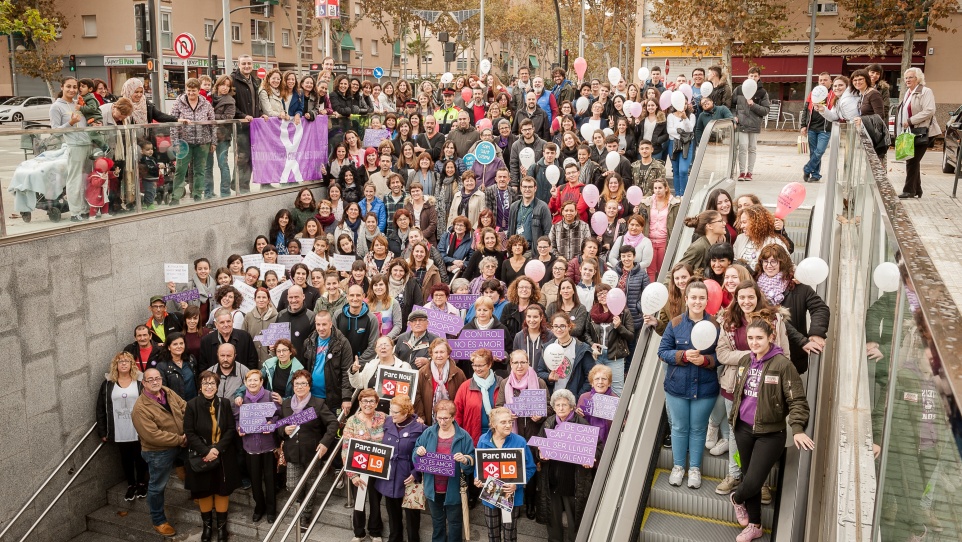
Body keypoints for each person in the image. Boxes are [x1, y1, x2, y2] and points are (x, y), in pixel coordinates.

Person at [728, 317, 813, 542]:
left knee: (754, 481)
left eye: (759, 338)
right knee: (749, 477)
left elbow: (797, 401)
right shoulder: (746, 361)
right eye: (750, 338)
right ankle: (755, 526)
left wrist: (797, 429)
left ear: (770, 338)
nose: (754, 343)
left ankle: (736, 498)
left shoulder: (783, 365)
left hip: (771, 433)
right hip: (743, 429)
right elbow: (740, 394)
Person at [657, 281, 720, 489]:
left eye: (701, 298)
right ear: (686, 299)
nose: (697, 301)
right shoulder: (675, 323)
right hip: (677, 387)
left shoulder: (715, 325)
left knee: (698, 428)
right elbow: (662, 351)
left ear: (707, 300)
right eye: (693, 297)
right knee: (679, 427)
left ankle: (694, 468)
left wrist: (706, 360)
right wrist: (682, 355)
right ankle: (678, 466)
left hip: (705, 388)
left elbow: (721, 355)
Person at [753, 244, 829, 374]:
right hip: (761, 353)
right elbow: (776, 320)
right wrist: (802, 340)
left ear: (782, 263)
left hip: (792, 353)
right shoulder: (754, 288)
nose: (769, 265)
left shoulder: (798, 286)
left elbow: (820, 308)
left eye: (774, 261)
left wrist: (816, 333)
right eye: (765, 261)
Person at [183, 370, 240, 542]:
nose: (209, 387)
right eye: (205, 383)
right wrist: (206, 451)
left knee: (222, 491)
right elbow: (189, 432)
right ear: (200, 387)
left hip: (223, 455)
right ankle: (207, 528)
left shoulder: (224, 403)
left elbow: (231, 429)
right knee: (204, 491)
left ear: (217, 386)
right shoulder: (192, 405)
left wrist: (217, 449)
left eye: (212, 384)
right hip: (201, 455)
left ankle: (222, 529)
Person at [131, 368, 187, 536]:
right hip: (158, 452)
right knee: (157, 486)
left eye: (157, 378)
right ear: (144, 383)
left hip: (181, 443)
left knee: (193, 466)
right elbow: (153, 436)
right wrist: (180, 439)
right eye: (150, 380)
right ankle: (158, 520)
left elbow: (184, 407)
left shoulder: (167, 392)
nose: (155, 382)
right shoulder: (140, 409)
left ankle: (195, 491)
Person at [277, 369, 339, 519]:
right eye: (297, 384)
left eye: (303, 383)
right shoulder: (286, 404)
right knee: (292, 486)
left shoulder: (318, 403)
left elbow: (333, 423)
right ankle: (300, 502)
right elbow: (278, 425)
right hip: (292, 452)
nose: (300, 387)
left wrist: (325, 443)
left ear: (309, 386)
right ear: (293, 385)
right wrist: (284, 429)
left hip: (312, 452)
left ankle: (306, 513)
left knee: (311, 484)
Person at [413, 399, 475, 542]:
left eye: (446, 418)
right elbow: (415, 455)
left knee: (454, 523)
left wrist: (465, 460)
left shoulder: (464, 436)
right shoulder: (428, 432)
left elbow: (471, 462)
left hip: (454, 490)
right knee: (437, 522)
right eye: (439, 418)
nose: (442, 421)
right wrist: (418, 451)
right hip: (433, 489)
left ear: (453, 417)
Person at [475, 407, 538, 540]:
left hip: (511, 494)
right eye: (503, 422)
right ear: (493, 424)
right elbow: (479, 465)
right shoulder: (483, 440)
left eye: (510, 421)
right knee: (493, 533)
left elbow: (530, 467)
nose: (508, 425)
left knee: (510, 533)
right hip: (491, 493)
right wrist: (477, 478)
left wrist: (517, 484)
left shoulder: (520, 441)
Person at [96, 352, 148, 501]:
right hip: (119, 428)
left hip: (138, 427)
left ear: (132, 364)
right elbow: (100, 407)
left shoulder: (139, 382)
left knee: (140, 456)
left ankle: (141, 483)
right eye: (120, 362)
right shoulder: (108, 384)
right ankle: (131, 484)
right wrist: (102, 430)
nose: (124, 364)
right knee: (125, 458)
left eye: (127, 361)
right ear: (116, 365)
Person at [376, 394, 428, 542]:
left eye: (395, 412)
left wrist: (416, 472)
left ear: (406, 412)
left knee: (412, 514)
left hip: (408, 475)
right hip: (389, 473)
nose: (391, 414)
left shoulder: (421, 428)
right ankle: (395, 538)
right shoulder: (387, 422)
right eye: (390, 410)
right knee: (392, 512)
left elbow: (426, 453)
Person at [342, 388, 387, 542]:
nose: (368, 404)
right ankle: (359, 532)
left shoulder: (383, 418)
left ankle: (375, 532)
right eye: (364, 401)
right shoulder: (352, 421)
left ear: (377, 403)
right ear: (359, 402)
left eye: (371, 401)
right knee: (359, 502)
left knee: (375, 501)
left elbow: (402, 418)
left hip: (377, 467)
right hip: (358, 468)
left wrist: (417, 418)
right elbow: (345, 449)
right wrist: (352, 475)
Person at [49, 77, 93, 222]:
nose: (72, 90)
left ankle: (86, 209)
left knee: (87, 180)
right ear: (62, 87)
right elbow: (55, 131)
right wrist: (70, 122)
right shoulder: (56, 107)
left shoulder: (78, 104)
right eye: (68, 86)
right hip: (74, 147)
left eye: (75, 87)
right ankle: (75, 212)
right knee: (74, 179)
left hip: (88, 145)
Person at [896, 68, 941, 199]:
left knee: (912, 160)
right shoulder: (908, 93)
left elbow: (929, 110)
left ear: (918, 78)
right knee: (913, 160)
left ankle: (909, 190)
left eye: (911, 77)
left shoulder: (925, 91)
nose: (907, 80)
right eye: (906, 78)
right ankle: (917, 190)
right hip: (911, 131)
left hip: (923, 131)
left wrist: (910, 121)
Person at [169, 78, 215, 204]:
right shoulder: (179, 102)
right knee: (180, 170)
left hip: (203, 142)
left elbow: (212, 123)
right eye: (188, 91)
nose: (191, 93)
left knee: (200, 170)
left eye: (194, 91)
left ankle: (197, 194)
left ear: (199, 90)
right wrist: (175, 142)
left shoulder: (206, 104)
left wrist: (213, 142)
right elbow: (173, 122)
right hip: (184, 142)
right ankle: (176, 196)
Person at [303, 309, 356, 418]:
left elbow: (346, 372)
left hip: (332, 399)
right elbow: (304, 369)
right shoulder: (309, 342)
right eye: (318, 324)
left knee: (331, 430)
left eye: (324, 324)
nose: (321, 328)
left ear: (331, 324)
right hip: (311, 397)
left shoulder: (342, 343)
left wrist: (346, 398)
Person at [585, 284, 634, 396]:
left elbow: (631, 336)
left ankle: (616, 414)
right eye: (599, 294)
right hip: (597, 356)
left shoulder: (623, 312)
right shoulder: (592, 313)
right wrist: (592, 344)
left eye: (604, 293)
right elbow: (586, 333)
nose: (602, 296)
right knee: (596, 387)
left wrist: (619, 326)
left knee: (616, 389)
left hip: (615, 356)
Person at [414, 339, 468, 424]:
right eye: (436, 352)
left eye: (442, 352)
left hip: (453, 421)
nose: (439, 355)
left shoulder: (458, 373)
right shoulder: (422, 372)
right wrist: (422, 417)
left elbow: (463, 398)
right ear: (431, 355)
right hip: (428, 421)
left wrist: (457, 419)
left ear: (448, 354)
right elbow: (417, 397)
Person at [732, 68, 770, 181]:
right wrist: (734, 115)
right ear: (747, 76)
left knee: (752, 148)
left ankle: (750, 172)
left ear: (759, 77)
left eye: (755, 76)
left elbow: (766, 110)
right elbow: (732, 105)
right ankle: (742, 172)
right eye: (751, 75)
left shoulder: (762, 92)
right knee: (742, 147)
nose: (753, 78)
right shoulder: (739, 89)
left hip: (755, 124)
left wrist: (753, 105)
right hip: (741, 123)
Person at [800, 72, 834, 183]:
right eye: (820, 80)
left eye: (825, 80)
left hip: (825, 129)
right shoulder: (813, 93)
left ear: (830, 82)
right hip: (812, 127)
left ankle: (807, 168)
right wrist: (803, 125)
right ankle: (815, 174)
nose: (822, 82)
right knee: (813, 152)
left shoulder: (833, 95)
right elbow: (805, 110)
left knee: (819, 151)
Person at [733, 205, 788, 270]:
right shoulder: (740, 238)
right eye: (741, 223)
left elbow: (788, 265)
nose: (741, 226)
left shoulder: (775, 241)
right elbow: (734, 262)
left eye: (744, 222)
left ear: (756, 222)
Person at [576, 364, 616, 442]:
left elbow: (623, 424)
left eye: (604, 379)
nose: (600, 382)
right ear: (592, 383)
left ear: (609, 383)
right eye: (597, 379)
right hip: (586, 441)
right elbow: (577, 422)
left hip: (608, 443)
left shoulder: (615, 400)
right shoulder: (584, 397)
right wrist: (576, 413)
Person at [156, 332, 199, 402]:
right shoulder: (162, 366)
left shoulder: (191, 359)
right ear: (169, 347)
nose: (179, 346)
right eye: (175, 344)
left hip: (193, 403)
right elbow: (162, 389)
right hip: (175, 405)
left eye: (181, 343)